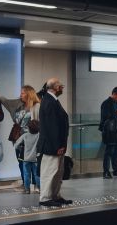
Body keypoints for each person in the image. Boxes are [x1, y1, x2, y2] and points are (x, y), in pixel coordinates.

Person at [37, 78, 72, 206]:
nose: (62, 88)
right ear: (55, 88)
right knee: (49, 172)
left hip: (56, 145)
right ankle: (45, 198)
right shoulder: (49, 102)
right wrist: (58, 146)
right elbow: (52, 127)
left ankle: (55, 195)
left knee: (57, 172)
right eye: (61, 86)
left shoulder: (52, 100)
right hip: (51, 145)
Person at [10, 85, 42, 194]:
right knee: (23, 164)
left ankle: (37, 186)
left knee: (34, 166)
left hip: (32, 139)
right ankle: (26, 185)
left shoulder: (37, 106)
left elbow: (39, 123)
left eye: (23, 93)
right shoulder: (20, 107)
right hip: (20, 139)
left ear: (29, 94)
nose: (20, 95)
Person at [99, 86, 117, 178]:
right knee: (109, 151)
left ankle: (116, 170)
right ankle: (106, 172)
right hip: (110, 131)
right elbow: (105, 116)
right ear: (114, 94)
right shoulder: (106, 103)